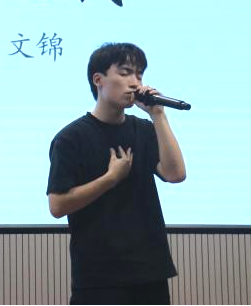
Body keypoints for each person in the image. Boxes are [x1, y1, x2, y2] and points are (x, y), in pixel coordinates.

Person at [46, 42, 186, 305]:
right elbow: (57, 205)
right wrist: (110, 179)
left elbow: (175, 174)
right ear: (98, 80)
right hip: (99, 278)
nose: (135, 82)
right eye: (125, 73)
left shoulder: (144, 129)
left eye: (139, 75)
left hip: (150, 272)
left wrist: (158, 115)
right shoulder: (71, 138)